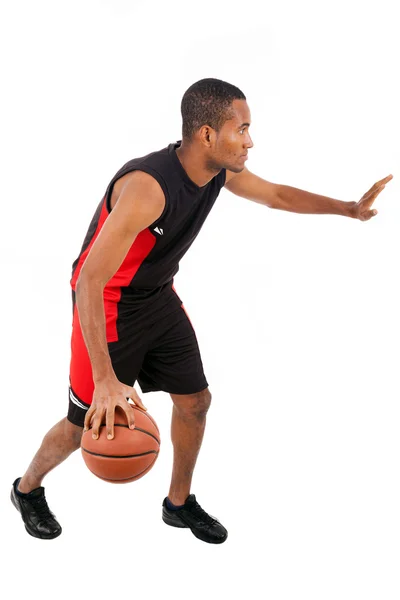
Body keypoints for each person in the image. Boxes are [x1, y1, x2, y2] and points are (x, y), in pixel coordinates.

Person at [11, 78, 392, 544]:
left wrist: (348, 209)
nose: (250, 140)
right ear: (208, 134)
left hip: (156, 297)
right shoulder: (148, 188)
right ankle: (27, 489)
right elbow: (90, 279)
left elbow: (276, 195)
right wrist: (108, 381)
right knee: (83, 424)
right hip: (106, 301)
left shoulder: (217, 171)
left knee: (195, 402)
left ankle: (178, 504)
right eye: (243, 128)